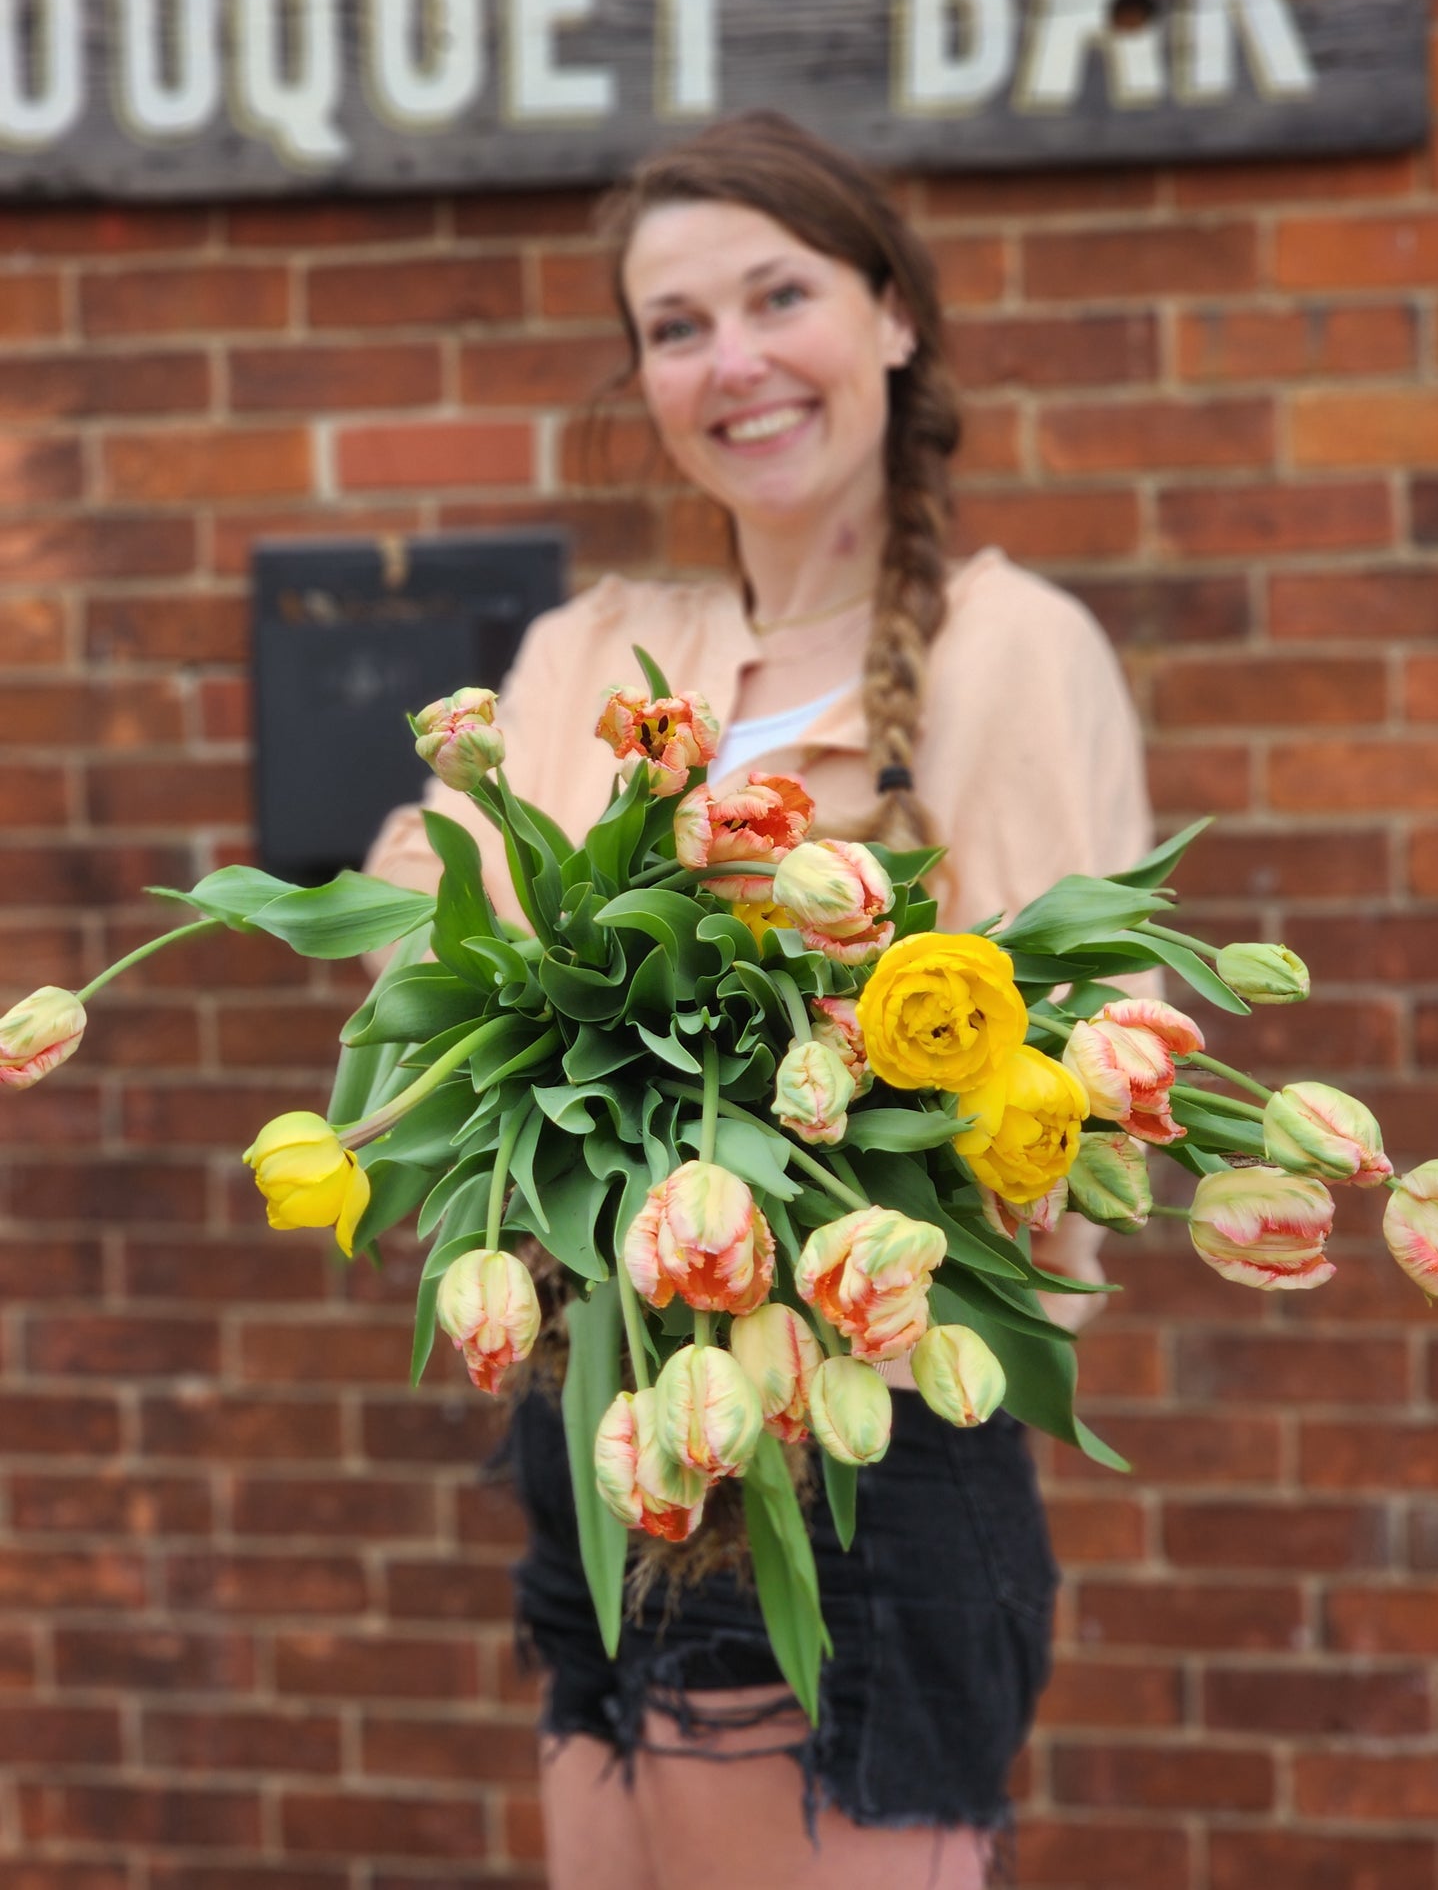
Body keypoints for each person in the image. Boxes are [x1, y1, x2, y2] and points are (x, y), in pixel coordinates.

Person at [364, 110, 1152, 1890]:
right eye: (676, 325)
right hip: (597, 1432)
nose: (732, 362)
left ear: (891, 315)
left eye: (777, 296)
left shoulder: (1009, 652)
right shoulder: (586, 648)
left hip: (856, 1454)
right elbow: (417, 935)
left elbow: (1061, 1109)